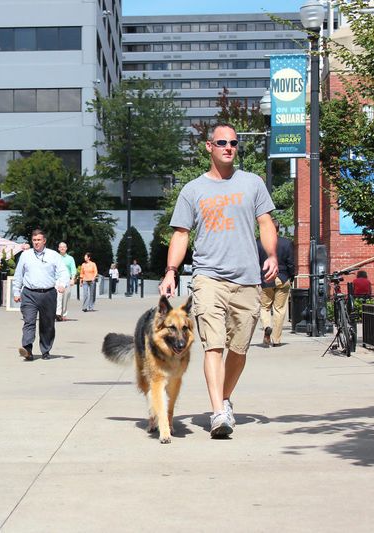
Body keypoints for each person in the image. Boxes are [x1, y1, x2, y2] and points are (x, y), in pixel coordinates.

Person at [159, 122, 278, 439]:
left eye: (234, 142)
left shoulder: (252, 183)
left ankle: (224, 398)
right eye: (222, 142)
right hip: (208, 278)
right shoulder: (193, 190)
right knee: (214, 345)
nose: (229, 147)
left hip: (247, 280)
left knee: (238, 349)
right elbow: (181, 234)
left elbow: (265, 222)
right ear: (209, 146)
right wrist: (171, 270)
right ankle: (218, 414)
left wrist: (272, 254)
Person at [12, 229, 69, 361]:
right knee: (29, 322)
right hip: (29, 294)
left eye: (39, 240)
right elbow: (18, 274)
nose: (36, 243)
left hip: (48, 293)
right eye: (34, 240)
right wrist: (16, 291)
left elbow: (63, 272)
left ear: (44, 241)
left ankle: (45, 350)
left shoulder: (53, 255)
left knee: (47, 324)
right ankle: (27, 349)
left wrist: (62, 284)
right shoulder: (26, 255)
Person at [257, 219, 295, 347]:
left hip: (266, 278)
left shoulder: (258, 243)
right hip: (282, 277)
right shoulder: (287, 243)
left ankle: (267, 326)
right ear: (278, 228)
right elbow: (291, 262)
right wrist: (292, 276)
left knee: (264, 307)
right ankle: (277, 339)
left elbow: (255, 263)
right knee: (279, 309)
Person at [55, 242, 76, 321]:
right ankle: (58, 314)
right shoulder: (56, 257)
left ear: (66, 248)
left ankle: (64, 314)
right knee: (58, 297)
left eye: (64, 247)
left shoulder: (70, 258)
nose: (62, 248)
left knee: (65, 298)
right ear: (58, 248)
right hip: (57, 280)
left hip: (67, 280)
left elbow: (73, 270)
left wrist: (72, 279)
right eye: (61, 247)